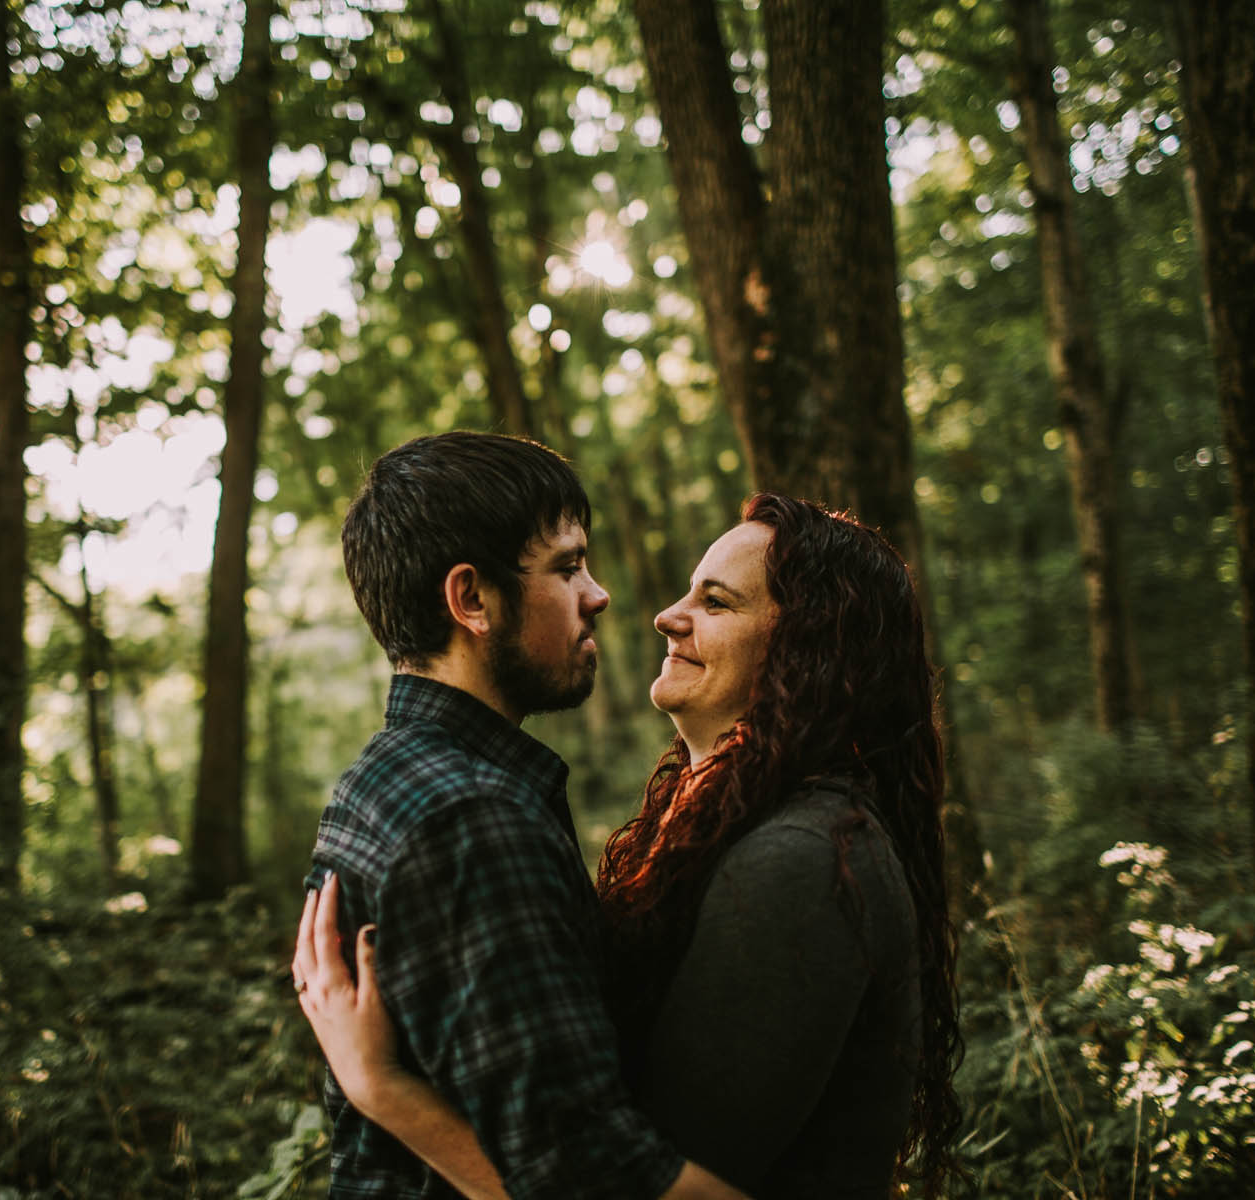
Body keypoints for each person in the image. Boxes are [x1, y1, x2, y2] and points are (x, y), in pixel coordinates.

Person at [294, 492, 963, 1199]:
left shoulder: (805, 859)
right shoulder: (708, 824)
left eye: (715, 602)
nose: (666, 615)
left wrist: (385, 1089)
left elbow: (620, 1183)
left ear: (811, 649)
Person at [297, 432, 751, 1200]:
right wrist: (381, 1090)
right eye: (567, 568)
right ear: (471, 600)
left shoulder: (378, 781)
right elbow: (586, 1177)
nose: (598, 594)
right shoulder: (473, 820)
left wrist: (381, 1088)